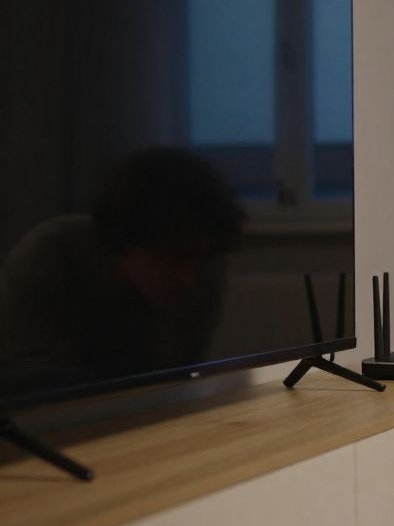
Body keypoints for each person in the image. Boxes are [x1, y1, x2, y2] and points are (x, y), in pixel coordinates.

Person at [0, 146, 244, 394]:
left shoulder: (206, 268)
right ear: (124, 240)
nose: (188, 279)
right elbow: (28, 383)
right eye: (170, 257)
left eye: (198, 259)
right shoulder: (52, 254)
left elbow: (178, 375)